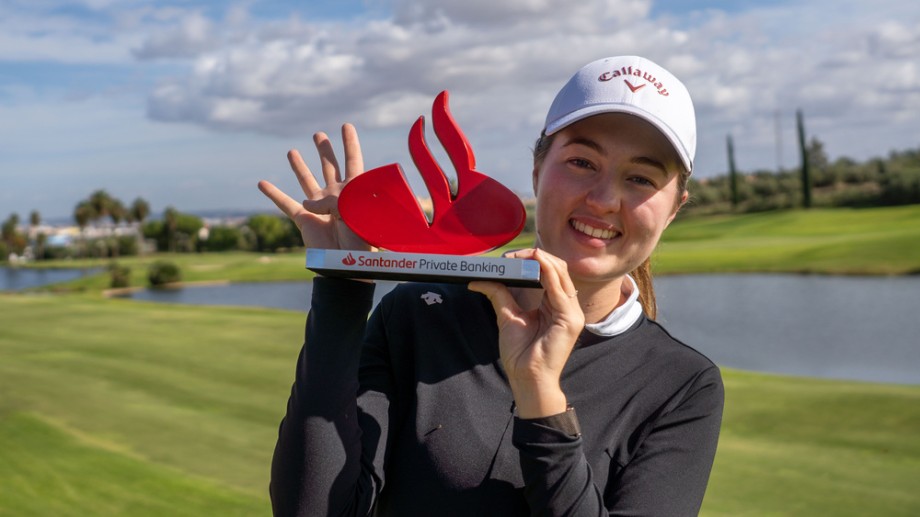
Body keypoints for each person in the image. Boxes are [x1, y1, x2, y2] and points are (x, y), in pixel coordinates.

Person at [258, 55, 723, 516]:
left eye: (641, 178)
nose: (603, 200)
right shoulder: (419, 313)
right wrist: (344, 280)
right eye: (582, 161)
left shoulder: (681, 385)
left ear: (675, 207)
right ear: (538, 170)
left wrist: (539, 393)